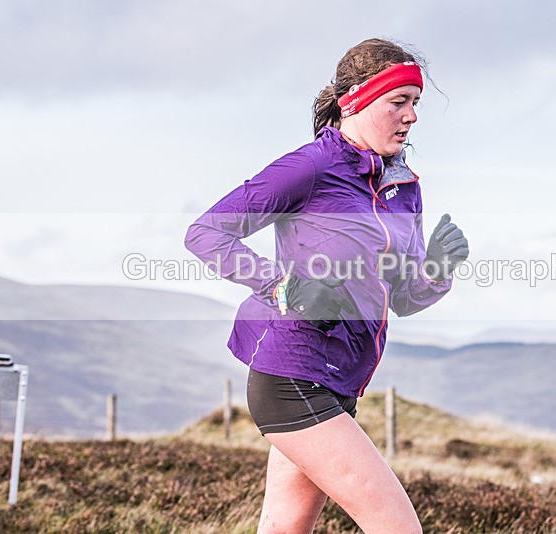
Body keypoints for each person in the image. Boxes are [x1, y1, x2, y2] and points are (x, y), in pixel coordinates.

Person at [185, 37, 469, 533]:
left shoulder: (404, 188)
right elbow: (207, 233)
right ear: (355, 100)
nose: (412, 117)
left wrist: (439, 269)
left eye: (415, 103)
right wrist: (281, 286)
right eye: (398, 102)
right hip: (293, 374)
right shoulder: (311, 167)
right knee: (398, 528)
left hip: (342, 381)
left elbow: (403, 297)